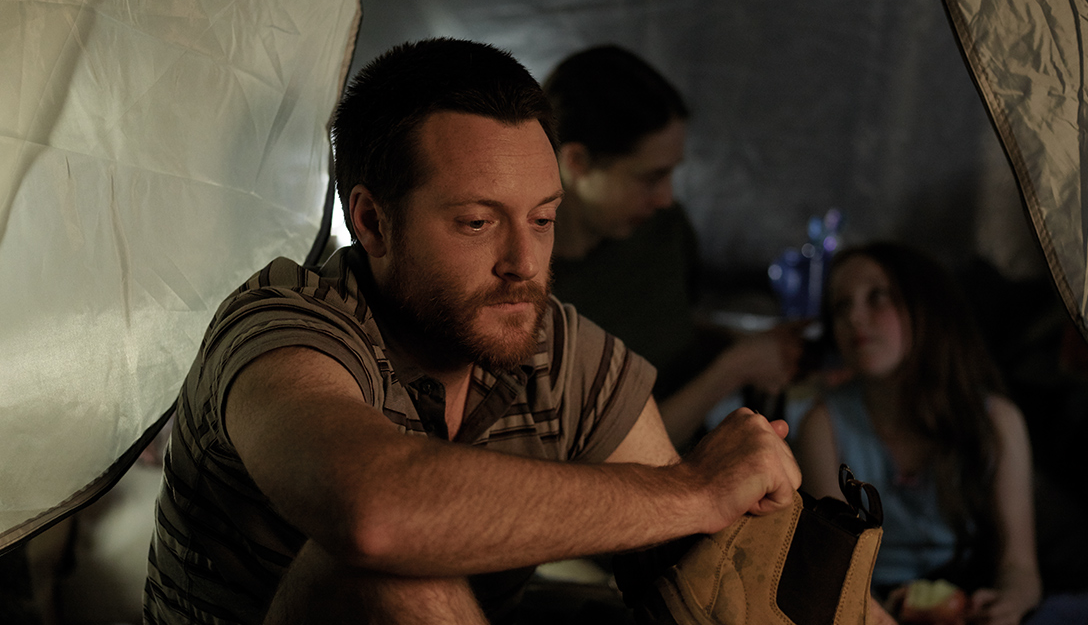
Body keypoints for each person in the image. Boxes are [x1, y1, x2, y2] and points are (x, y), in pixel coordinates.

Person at [143, 38, 801, 625]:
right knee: (391, 571)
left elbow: (698, 571)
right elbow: (378, 513)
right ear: (372, 223)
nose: (523, 264)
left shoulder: (561, 350)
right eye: (477, 222)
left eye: (542, 219)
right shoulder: (290, 323)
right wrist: (695, 488)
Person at [543, 45, 803, 449]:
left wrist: (751, 345)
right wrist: (733, 369)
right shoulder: (528, 290)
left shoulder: (660, 230)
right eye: (650, 178)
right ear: (576, 162)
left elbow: (669, 323)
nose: (666, 198)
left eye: (672, 174)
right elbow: (609, 460)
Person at [791, 242, 1042, 625]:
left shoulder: (997, 421)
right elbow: (834, 571)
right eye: (841, 306)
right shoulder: (822, 426)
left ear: (926, 308)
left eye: (878, 298)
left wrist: (1007, 603)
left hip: (966, 596)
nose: (855, 317)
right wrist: (877, 613)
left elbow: (1020, 568)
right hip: (867, 604)